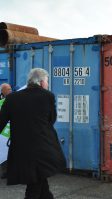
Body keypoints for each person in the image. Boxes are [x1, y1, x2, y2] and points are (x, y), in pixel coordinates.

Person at [0, 68, 66, 199]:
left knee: (41, 185)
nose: (47, 84)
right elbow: (51, 120)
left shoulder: (11, 98)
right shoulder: (47, 96)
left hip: (21, 150)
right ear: (41, 82)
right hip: (43, 149)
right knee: (33, 190)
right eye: (47, 81)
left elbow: (1, 122)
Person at [0, 83, 12, 179]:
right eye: (8, 89)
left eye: (10, 89)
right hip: (3, 132)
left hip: (11, 131)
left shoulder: (15, 101)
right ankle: (5, 171)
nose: (10, 90)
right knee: (3, 151)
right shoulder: (1, 102)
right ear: (2, 91)